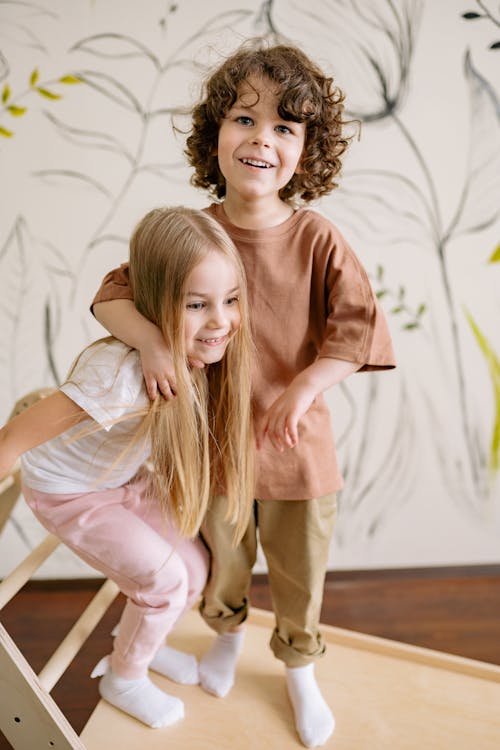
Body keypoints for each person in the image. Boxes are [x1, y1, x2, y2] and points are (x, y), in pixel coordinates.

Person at [90, 41, 396, 748]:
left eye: (286, 128)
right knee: (223, 561)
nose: (263, 140)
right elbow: (111, 296)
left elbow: (357, 329)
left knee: (299, 571)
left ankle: (298, 669)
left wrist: (306, 385)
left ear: (306, 151)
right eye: (245, 120)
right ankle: (223, 640)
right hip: (213, 449)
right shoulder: (191, 234)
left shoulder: (319, 240)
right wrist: (155, 341)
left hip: (299, 454)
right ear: (215, 134)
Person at [0, 206, 254, 730]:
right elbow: (13, 440)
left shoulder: (191, 354)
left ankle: (137, 641)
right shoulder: (116, 373)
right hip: (71, 492)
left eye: (230, 301)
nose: (221, 320)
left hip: (122, 480)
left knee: (195, 571)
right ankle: (124, 677)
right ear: (156, 303)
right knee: (162, 583)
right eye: (197, 305)